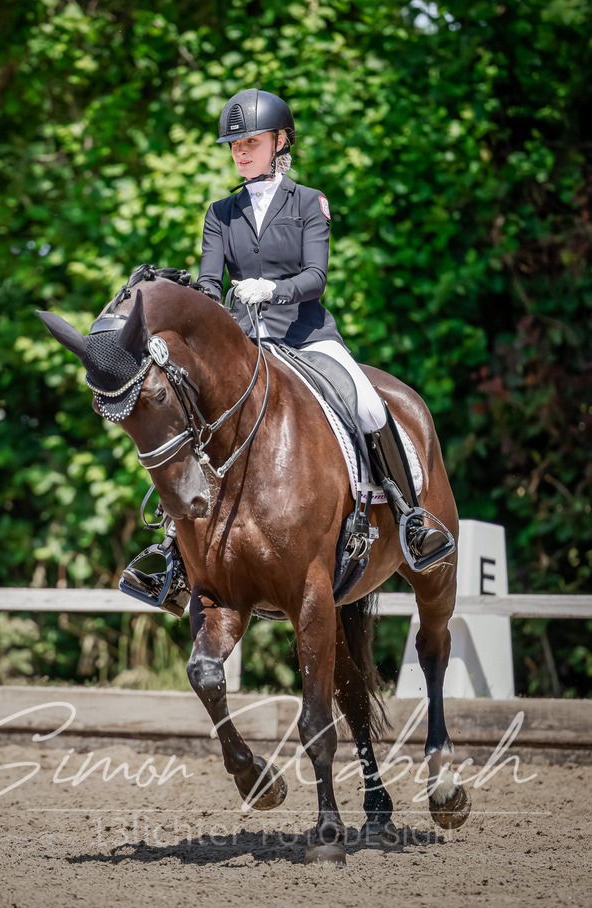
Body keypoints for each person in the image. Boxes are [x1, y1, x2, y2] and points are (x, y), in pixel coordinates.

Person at [121, 88, 453, 613]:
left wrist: (271, 290)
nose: (240, 153)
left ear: (280, 142)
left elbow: (316, 277)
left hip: (306, 337)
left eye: (250, 142)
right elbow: (211, 286)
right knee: (188, 421)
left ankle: (412, 518)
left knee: (368, 404)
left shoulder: (308, 203)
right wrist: (201, 302)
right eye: (234, 145)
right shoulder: (220, 213)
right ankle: (173, 557)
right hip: (246, 345)